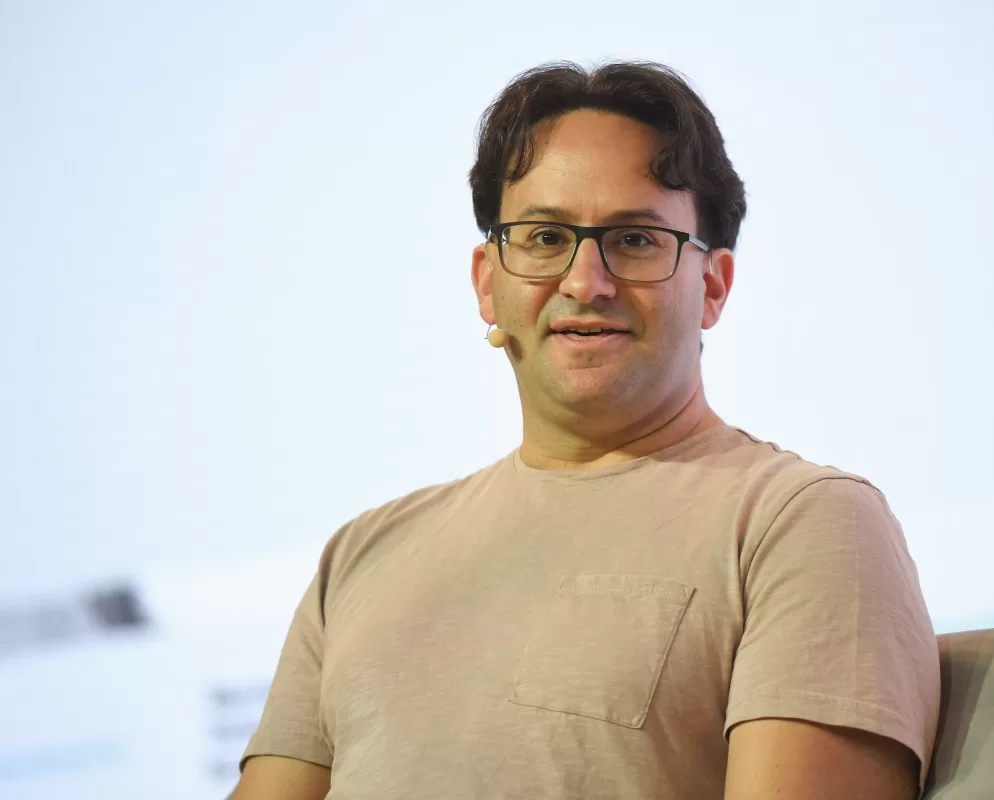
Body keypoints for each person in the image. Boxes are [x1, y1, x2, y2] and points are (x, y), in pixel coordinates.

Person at [233, 61, 941, 800]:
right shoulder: (362, 554)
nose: (584, 282)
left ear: (713, 286)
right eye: (543, 237)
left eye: (634, 240)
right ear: (487, 280)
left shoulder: (802, 522)